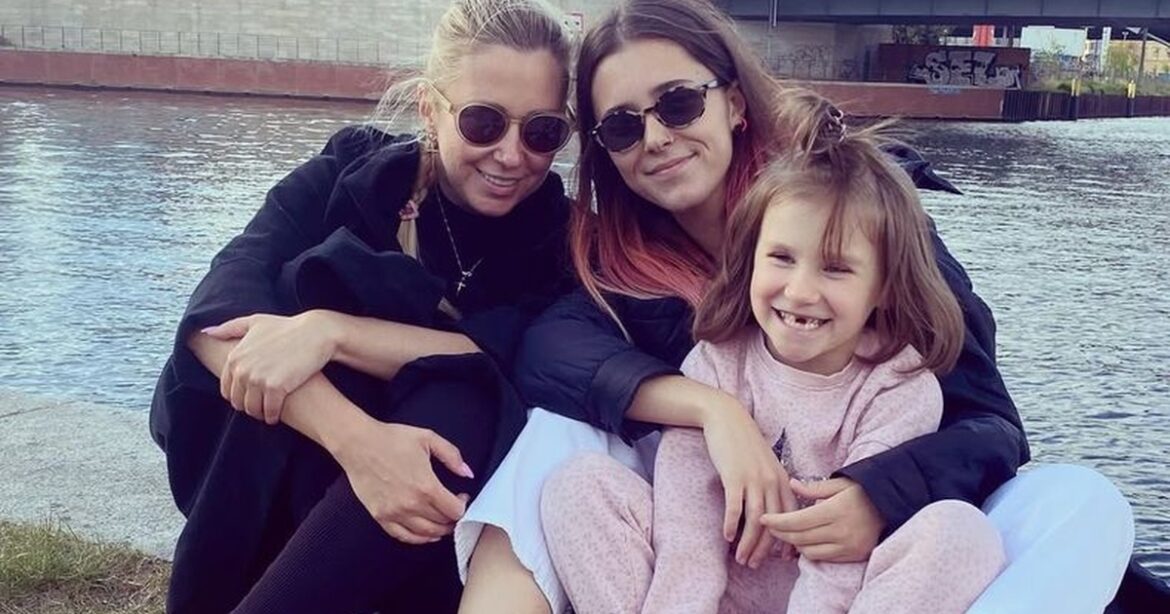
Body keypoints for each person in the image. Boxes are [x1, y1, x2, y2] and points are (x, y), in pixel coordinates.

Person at [449, 1, 1132, 613]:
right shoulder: (621, 262)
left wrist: (876, 493)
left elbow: (989, 422)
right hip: (716, 537)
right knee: (558, 442)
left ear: (733, 103)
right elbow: (548, 351)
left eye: (678, 104)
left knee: (1084, 504)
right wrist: (714, 411)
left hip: (874, 536)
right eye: (623, 126)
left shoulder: (867, 219)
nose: (654, 138)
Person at [148, 1, 575, 612]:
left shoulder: (558, 238)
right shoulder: (353, 171)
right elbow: (220, 307)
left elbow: (504, 355)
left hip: (434, 492)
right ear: (430, 108)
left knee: (466, 392)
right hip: (282, 451)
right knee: (289, 316)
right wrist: (359, 442)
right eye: (483, 122)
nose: (511, 155)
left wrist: (329, 331)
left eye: (541, 132)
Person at [540, 92, 1007, 613]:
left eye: (835, 268)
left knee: (963, 534)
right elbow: (687, 525)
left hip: (836, 600)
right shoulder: (717, 362)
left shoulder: (900, 388)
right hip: (713, 599)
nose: (800, 291)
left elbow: (840, 560)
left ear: (885, 288)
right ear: (750, 260)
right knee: (578, 485)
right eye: (782, 258)